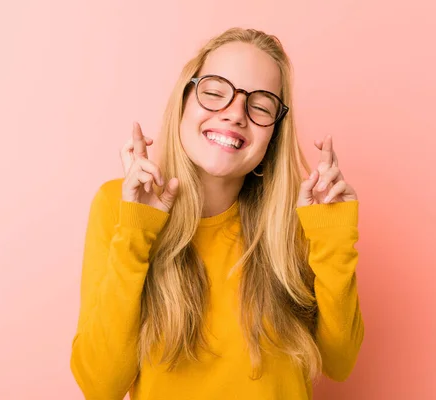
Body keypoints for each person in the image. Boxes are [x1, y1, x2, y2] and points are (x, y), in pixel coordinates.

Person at [70, 27, 364, 400]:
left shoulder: (300, 218)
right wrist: (136, 231)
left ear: (274, 133)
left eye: (260, 106)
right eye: (213, 92)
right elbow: (100, 386)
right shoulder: (120, 206)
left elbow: (340, 361)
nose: (235, 114)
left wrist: (333, 237)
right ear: (183, 101)